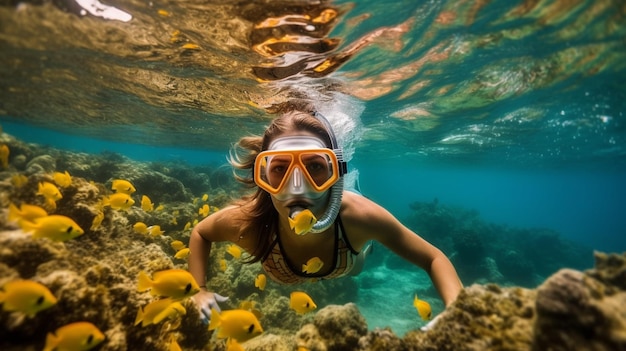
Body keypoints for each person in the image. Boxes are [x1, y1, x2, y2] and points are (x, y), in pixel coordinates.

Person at [188, 110, 463, 323]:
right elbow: (201, 233)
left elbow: (433, 258)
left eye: (316, 167)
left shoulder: (360, 217)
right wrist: (198, 289)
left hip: (349, 259)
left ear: (335, 173)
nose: (298, 187)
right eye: (280, 169)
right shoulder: (248, 223)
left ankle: (358, 205)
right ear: (261, 175)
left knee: (359, 264)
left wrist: (461, 316)